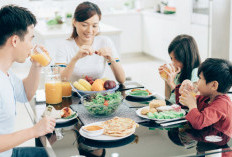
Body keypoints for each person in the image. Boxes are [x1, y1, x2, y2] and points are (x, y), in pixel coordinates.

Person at [0, 5, 56, 157]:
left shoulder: (6, 73)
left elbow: (25, 94)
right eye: (31, 39)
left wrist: (36, 64)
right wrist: (34, 131)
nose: (32, 46)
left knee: (54, 153)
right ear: (15, 41)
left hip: (8, 152)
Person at [55, 1, 125, 83]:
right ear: (74, 22)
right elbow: (60, 80)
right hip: (72, 94)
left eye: (94, 26)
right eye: (84, 25)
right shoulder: (64, 46)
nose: (89, 30)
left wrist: (111, 58)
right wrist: (75, 58)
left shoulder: (105, 42)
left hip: (98, 93)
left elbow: (122, 79)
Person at [178, 58, 232, 137]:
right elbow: (183, 103)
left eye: (200, 78)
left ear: (214, 85)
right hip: (206, 138)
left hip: (218, 145)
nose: (197, 82)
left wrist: (192, 105)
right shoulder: (207, 98)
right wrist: (184, 89)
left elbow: (198, 123)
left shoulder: (222, 104)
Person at [158, 34, 201, 104]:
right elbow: (168, 98)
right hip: (173, 107)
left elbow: (188, 101)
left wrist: (171, 83)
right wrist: (166, 79)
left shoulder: (196, 72)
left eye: (176, 58)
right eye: (171, 58)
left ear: (187, 58)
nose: (173, 62)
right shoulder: (179, 71)